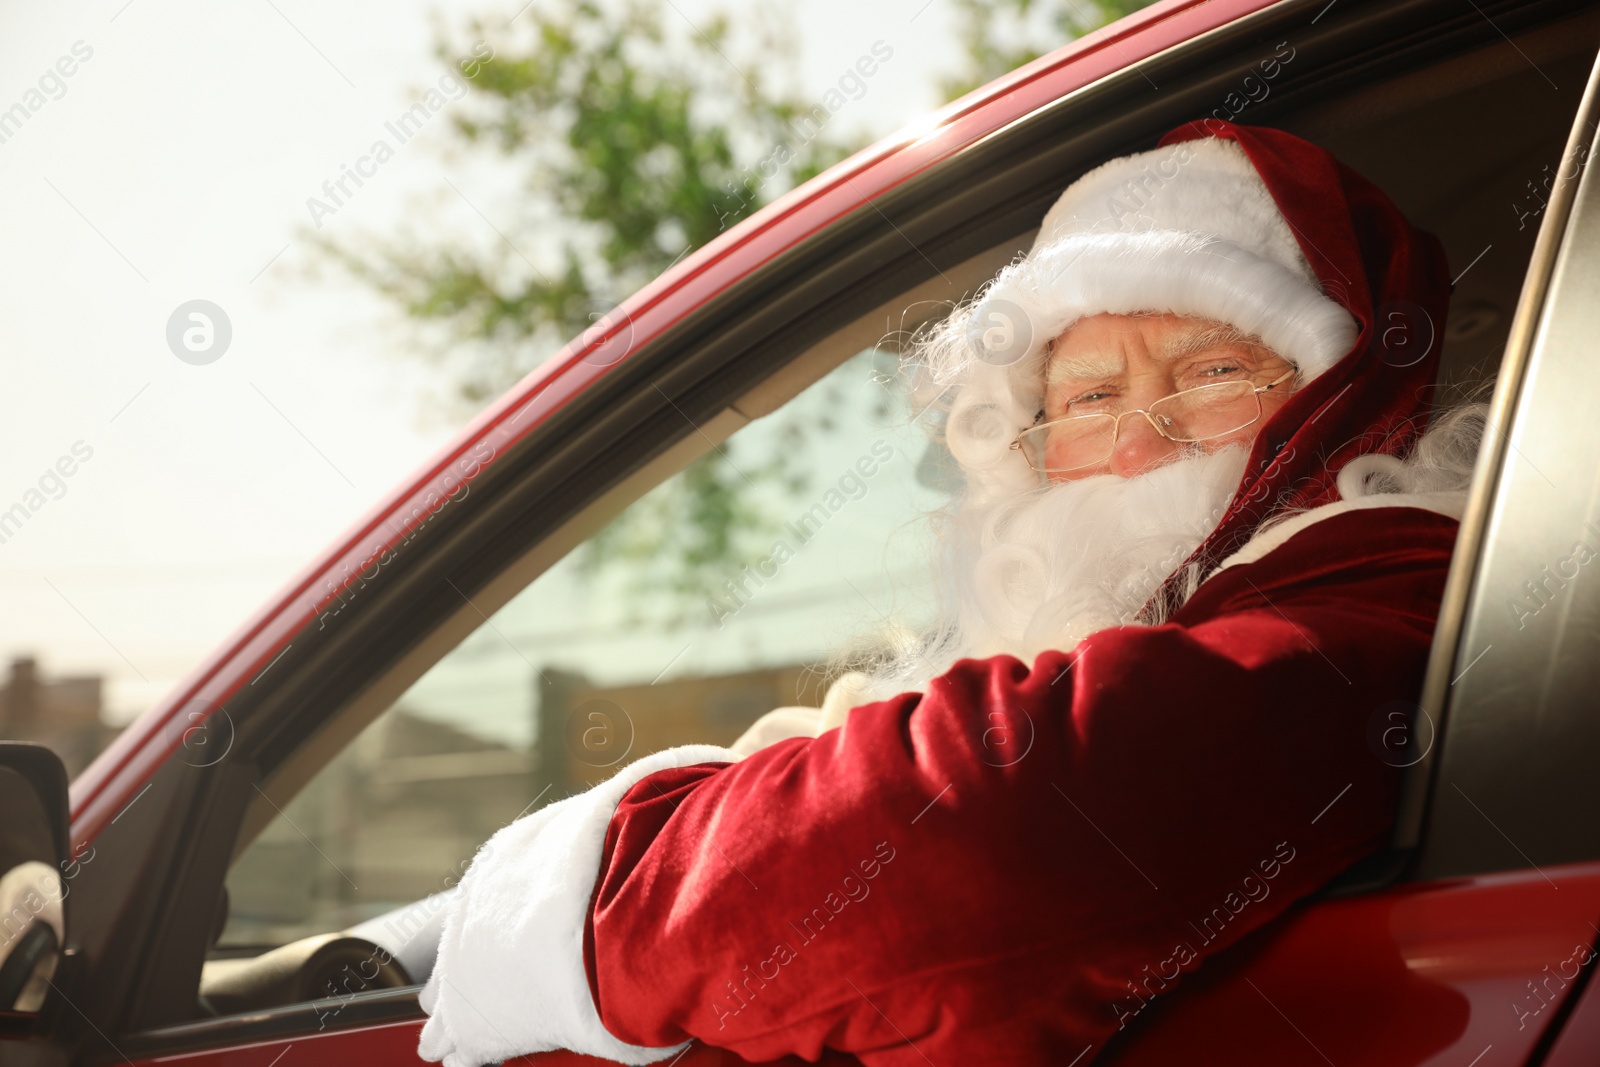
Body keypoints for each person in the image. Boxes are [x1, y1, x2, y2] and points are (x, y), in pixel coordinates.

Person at [415, 120, 1483, 1067]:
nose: (1133, 441)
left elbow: (985, 836)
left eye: (1213, 373)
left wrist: (574, 910)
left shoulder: (1390, 573)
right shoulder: (1068, 619)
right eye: (1089, 394)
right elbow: (862, 750)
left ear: (1340, 393)